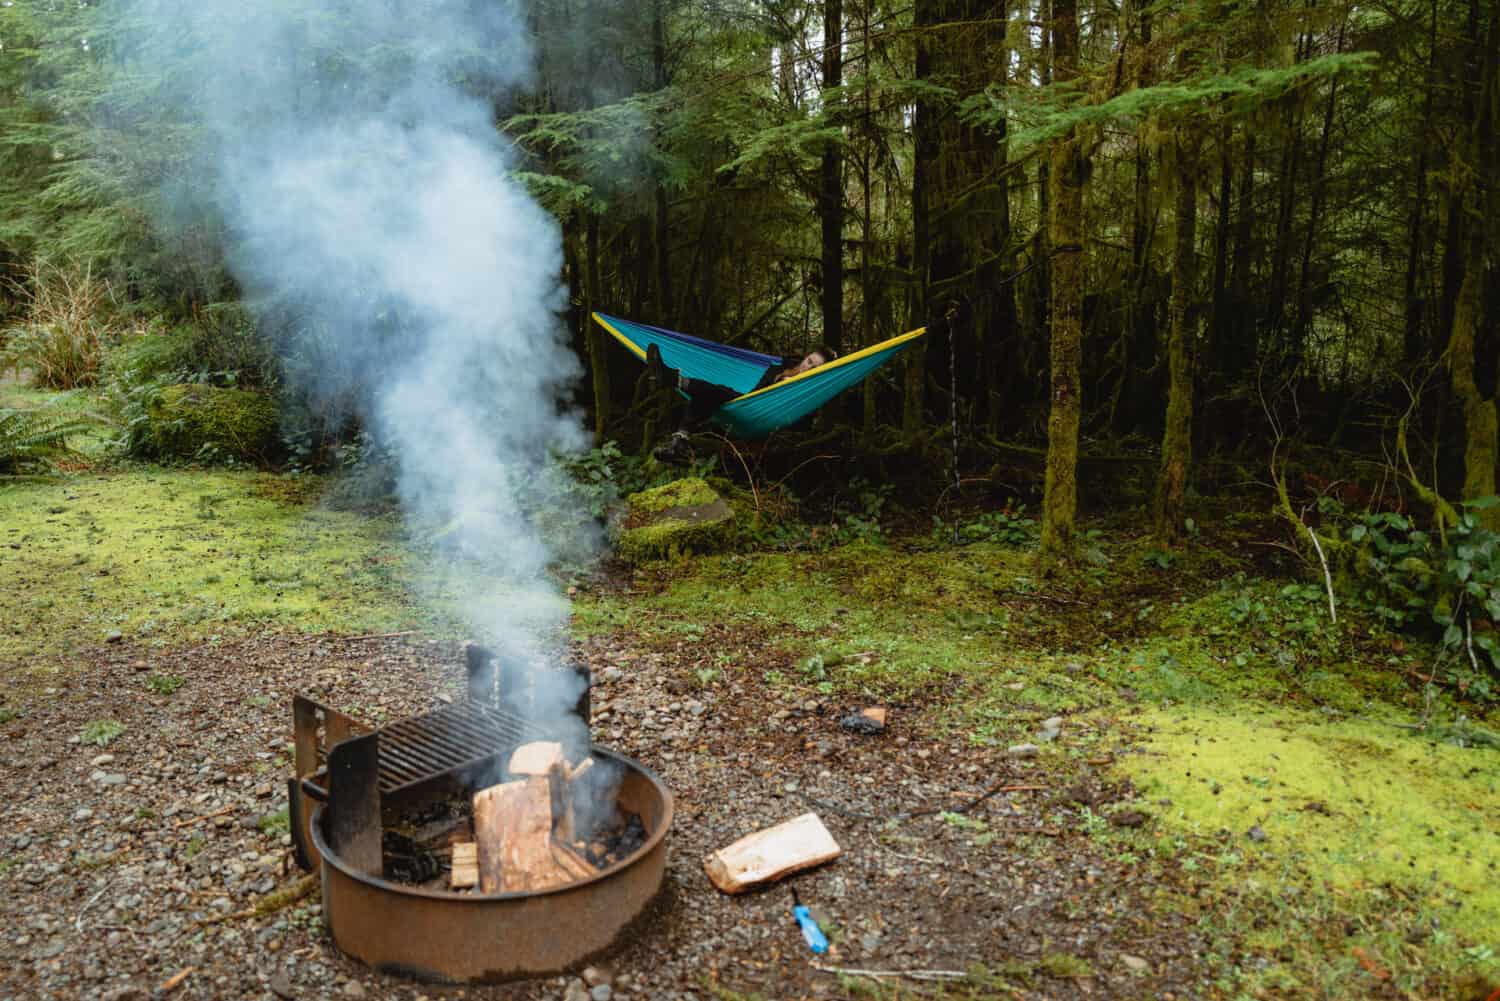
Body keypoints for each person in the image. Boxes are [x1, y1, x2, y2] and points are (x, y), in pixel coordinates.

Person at [646, 342, 836, 463]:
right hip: (751, 406)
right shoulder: (778, 370)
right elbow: (756, 394)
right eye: (809, 360)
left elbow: (800, 423)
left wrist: (790, 391)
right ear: (805, 357)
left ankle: (673, 380)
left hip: (769, 421)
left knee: (715, 392)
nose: (807, 367)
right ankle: (679, 443)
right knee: (708, 395)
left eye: (814, 367)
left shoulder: (809, 393)